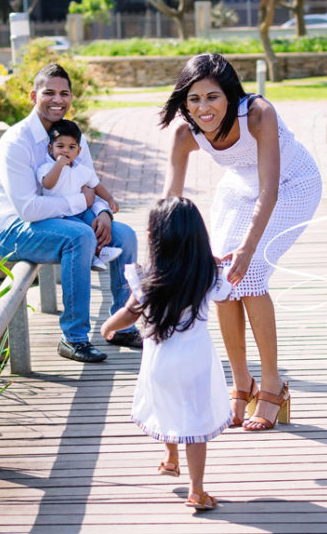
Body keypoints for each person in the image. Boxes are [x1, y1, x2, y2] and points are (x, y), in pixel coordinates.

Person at [160, 53, 322, 431]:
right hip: (239, 186)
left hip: (292, 185)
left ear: (231, 95)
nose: (204, 108)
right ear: (184, 101)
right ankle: (242, 383)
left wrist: (249, 249)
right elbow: (170, 200)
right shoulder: (185, 132)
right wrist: (170, 253)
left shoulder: (259, 113)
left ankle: (272, 384)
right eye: (194, 99)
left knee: (248, 276)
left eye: (212, 97)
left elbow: (270, 191)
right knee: (220, 279)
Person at [0, 63, 141, 363]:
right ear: (33, 96)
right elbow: (28, 209)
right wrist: (81, 204)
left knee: (125, 237)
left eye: (64, 93)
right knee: (80, 237)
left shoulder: (72, 135)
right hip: (15, 228)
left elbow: (88, 182)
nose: (58, 99)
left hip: (64, 220)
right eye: (49, 92)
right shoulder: (15, 143)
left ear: (71, 97)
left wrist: (103, 211)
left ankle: (122, 325)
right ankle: (74, 338)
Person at [101, 197, 232, 511]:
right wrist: (214, 263)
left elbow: (129, 314)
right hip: (197, 362)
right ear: (199, 239)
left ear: (154, 238)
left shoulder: (149, 280)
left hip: (160, 363)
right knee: (196, 424)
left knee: (167, 405)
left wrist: (108, 326)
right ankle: (197, 489)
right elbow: (226, 295)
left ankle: (171, 458)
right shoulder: (207, 276)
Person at [36, 118, 123, 271]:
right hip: (60, 215)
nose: (65, 151)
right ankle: (94, 256)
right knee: (84, 231)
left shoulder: (82, 170)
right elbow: (48, 184)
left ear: (78, 150)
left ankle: (99, 251)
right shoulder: (46, 168)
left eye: (71, 147)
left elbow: (96, 186)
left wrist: (110, 199)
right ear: (51, 149)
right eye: (60, 146)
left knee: (95, 224)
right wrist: (59, 165)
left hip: (81, 211)